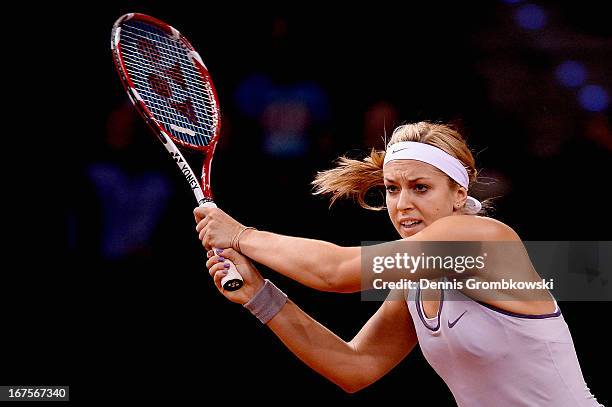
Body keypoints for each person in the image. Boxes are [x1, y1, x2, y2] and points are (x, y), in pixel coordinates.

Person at [194, 122, 602, 406]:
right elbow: (354, 367)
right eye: (392, 189)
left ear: (459, 193)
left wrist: (242, 235)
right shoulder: (414, 281)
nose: (403, 204)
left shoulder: (481, 237)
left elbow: (335, 273)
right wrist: (260, 296)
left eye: (421, 188)